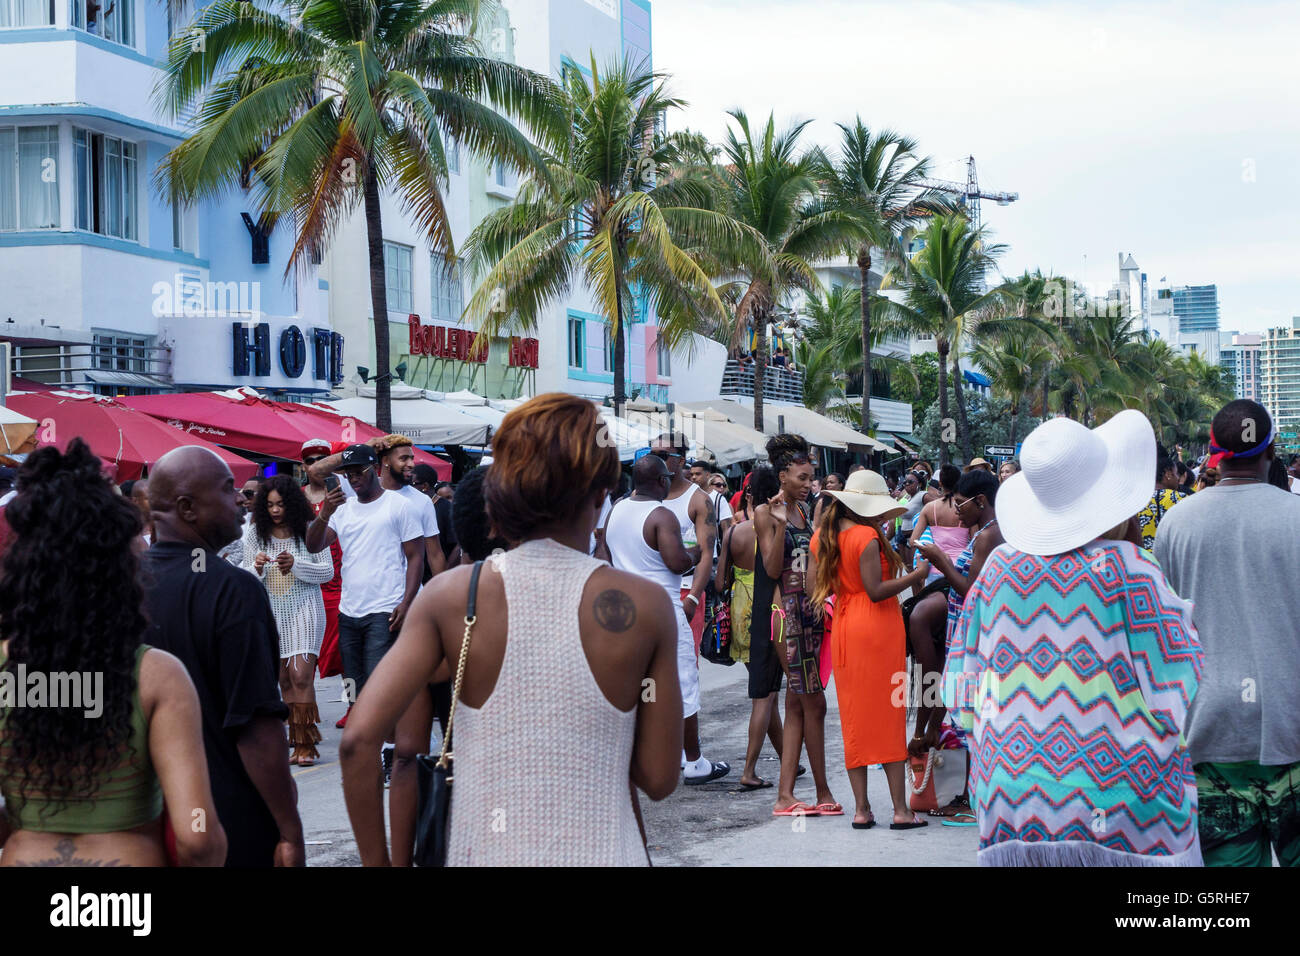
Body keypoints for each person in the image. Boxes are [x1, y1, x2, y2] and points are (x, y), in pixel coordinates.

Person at [341, 394, 683, 866]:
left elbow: (359, 742)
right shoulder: (645, 606)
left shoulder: (448, 597)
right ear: (602, 493)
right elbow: (659, 777)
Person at [946, 410, 1203, 865]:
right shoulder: (1130, 570)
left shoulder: (999, 570)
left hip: (1009, 797)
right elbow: (1183, 687)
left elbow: (961, 692)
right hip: (1123, 800)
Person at [0, 441, 227, 868]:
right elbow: (195, 833)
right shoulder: (157, 676)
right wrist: (204, 826)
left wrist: (27, 811)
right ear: (118, 567)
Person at [142, 446, 305, 867]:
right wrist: (289, 829)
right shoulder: (232, 589)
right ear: (187, 508)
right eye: (228, 488)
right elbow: (255, 726)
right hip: (227, 825)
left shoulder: (114, 586)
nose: (240, 500)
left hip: (140, 824)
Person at [1156, 399, 1300, 867]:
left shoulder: (1176, 524)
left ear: (1214, 453)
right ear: (1271, 451)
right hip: (1292, 723)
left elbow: (1166, 634)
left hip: (1209, 731)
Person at [388, 466, 503, 866]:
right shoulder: (583, 609)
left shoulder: (439, 615)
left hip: (468, 831)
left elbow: (401, 757)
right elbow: (652, 775)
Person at [811, 470, 930, 829]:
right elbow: (877, 590)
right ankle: (901, 810)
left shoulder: (823, 536)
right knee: (889, 716)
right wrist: (917, 574)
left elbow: (816, 585)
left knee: (855, 720)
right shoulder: (866, 536)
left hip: (847, 625)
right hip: (875, 625)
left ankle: (862, 810)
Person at [603, 454, 728, 784]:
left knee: (643, 684)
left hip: (626, 609)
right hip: (662, 608)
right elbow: (676, 563)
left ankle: (642, 756)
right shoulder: (660, 514)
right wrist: (695, 553)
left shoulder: (616, 509)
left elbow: (603, 555)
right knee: (683, 682)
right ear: (660, 482)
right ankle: (695, 762)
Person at [306, 444, 423, 782]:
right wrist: (325, 513)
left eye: (359, 471)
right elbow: (313, 545)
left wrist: (406, 601)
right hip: (349, 611)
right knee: (354, 690)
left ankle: (388, 754)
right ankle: (377, 752)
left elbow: (415, 557)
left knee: (377, 688)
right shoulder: (343, 510)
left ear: (375, 467)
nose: (354, 479)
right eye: (349, 474)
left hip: (384, 609)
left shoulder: (398, 506)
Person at [753, 434, 838, 817]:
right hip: (786, 616)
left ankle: (786, 795)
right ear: (783, 475)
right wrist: (778, 524)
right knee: (813, 703)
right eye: (802, 478)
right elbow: (772, 569)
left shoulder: (805, 512)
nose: (810, 484)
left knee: (797, 703)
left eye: (811, 477)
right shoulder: (765, 513)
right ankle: (822, 791)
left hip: (807, 613)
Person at [242, 476, 335, 766]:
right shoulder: (256, 533)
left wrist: (297, 564)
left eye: (280, 504)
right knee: (283, 679)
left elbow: (327, 572)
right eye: (269, 505)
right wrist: (255, 566)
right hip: (272, 613)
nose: (275, 510)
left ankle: (305, 745)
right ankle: (297, 736)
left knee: (301, 676)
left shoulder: (309, 530)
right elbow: (244, 575)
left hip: (306, 609)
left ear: (292, 503)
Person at [716, 465, 785, 790]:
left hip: (738, 607)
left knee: (765, 690)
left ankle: (787, 760)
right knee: (765, 695)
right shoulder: (772, 525)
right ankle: (750, 769)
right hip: (764, 607)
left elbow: (719, 581)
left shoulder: (733, 532)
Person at [300, 439, 347, 721]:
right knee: (304, 651)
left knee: (343, 655)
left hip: (339, 581)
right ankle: (307, 706)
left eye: (322, 458)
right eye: (310, 460)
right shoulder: (295, 498)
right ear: (302, 465)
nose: (315, 464)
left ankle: (353, 707)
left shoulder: (343, 493)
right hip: (303, 580)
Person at [376, 435, 446, 579]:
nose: (411, 464)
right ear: (385, 461)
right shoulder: (364, 495)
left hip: (407, 592)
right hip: (366, 594)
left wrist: (443, 593)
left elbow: (435, 554)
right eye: (404, 458)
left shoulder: (422, 501)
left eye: (412, 458)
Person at [908, 464, 970, 576]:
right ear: (959, 481)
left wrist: (931, 551)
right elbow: (976, 540)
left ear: (940, 483)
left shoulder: (930, 508)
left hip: (936, 568)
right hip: (960, 570)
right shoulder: (966, 506)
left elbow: (913, 541)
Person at [1136, 450, 1186, 549]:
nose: (1178, 479)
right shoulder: (1181, 499)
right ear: (1168, 473)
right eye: (1176, 474)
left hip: (1144, 561)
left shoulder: (1136, 501)